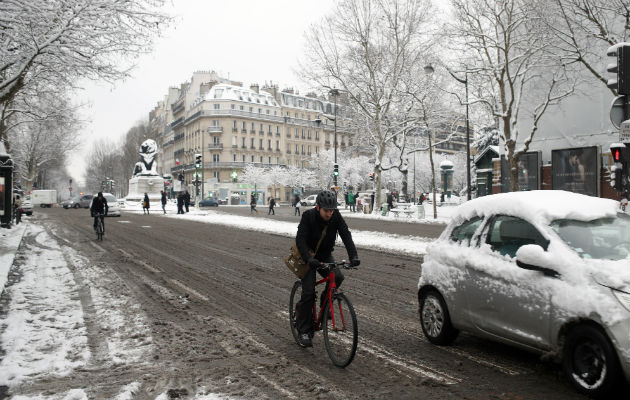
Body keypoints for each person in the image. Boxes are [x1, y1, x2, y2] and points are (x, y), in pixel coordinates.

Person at [294, 190, 360, 347]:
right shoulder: (308, 217)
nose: (330, 213)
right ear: (318, 207)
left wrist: (354, 256)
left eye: (332, 210)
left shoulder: (336, 216)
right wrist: (309, 259)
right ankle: (303, 330)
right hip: (308, 256)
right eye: (326, 210)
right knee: (308, 292)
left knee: (338, 277)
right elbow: (300, 240)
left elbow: (346, 234)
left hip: (324, 255)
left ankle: (325, 303)